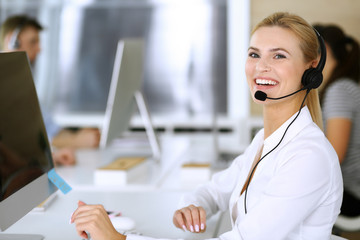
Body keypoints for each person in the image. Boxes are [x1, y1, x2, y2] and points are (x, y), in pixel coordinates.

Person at [70, 12, 343, 239]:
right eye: (254, 54)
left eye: (279, 56)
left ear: (311, 69)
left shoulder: (308, 156)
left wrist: (119, 238)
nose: (261, 67)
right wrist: (192, 205)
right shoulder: (266, 139)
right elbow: (214, 190)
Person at [0, 15, 100, 165]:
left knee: (66, 186)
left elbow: (50, 129)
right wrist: (75, 141)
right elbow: (20, 142)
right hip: (19, 174)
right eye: (33, 42)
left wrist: (77, 135)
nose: (39, 49)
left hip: (36, 166)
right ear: (12, 42)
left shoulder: (23, 84)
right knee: (66, 185)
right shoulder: (6, 88)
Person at [313, 24, 360, 219]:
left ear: (326, 52)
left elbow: (335, 155)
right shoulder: (342, 86)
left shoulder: (340, 90)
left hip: (351, 192)